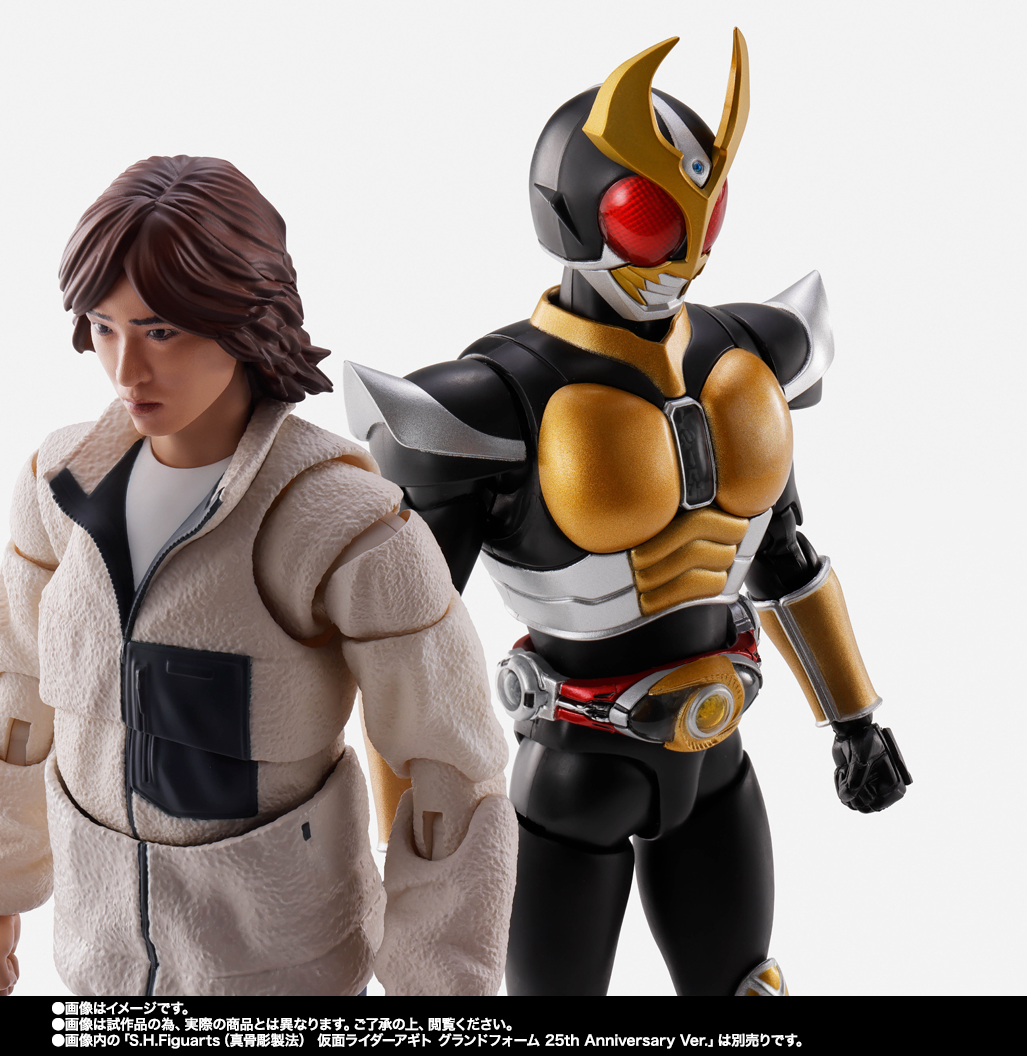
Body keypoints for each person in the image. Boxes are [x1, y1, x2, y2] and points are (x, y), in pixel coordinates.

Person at [343, 32, 911, 996]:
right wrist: (408, 837)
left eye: (704, 214)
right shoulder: (497, 399)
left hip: (718, 754)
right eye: (651, 219)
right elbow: (406, 640)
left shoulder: (746, 359)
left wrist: (855, 717)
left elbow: (784, 557)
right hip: (575, 775)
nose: (683, 253)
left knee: (746, 994)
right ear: (573, 214)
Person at [0, 155, 516, 997]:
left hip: (282, 967)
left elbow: (447, 773)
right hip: (99, 957)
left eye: (161, 331)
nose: (127, 369)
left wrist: (441, 990)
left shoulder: (343, 522)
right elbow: (17, 701)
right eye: (104, 327)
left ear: (245, 319)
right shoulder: (58, 485)